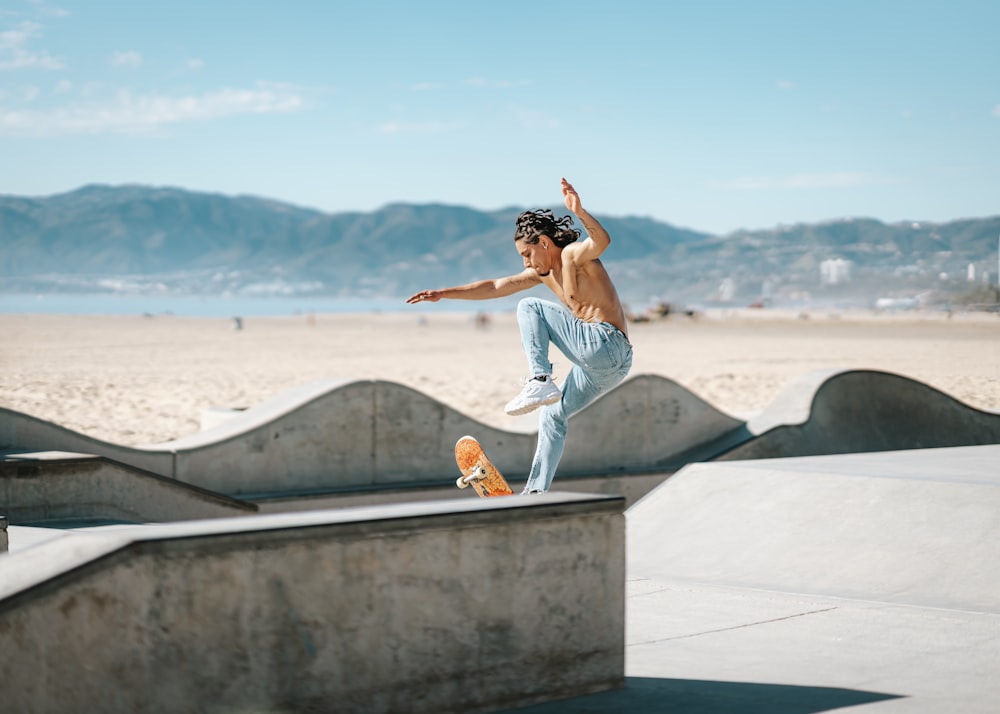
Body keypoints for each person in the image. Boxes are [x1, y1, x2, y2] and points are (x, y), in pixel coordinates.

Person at [407, 178, 633, 493]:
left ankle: (540, 379)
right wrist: (443, 293)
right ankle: (536, 492)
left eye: (527, 254)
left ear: (543, 242)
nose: (526, 263)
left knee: (530, 306)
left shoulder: (572, 256)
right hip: (610, 366)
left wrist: (579, 211)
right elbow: (495, 286)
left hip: (604, 342)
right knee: (553, 416)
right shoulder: (542, 274)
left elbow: (601, 241)